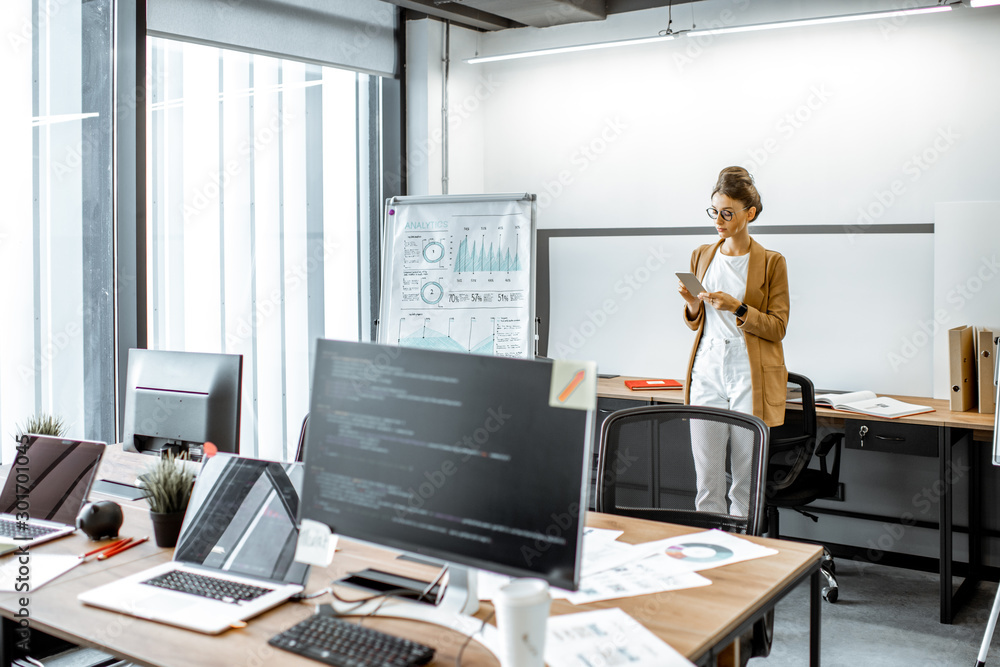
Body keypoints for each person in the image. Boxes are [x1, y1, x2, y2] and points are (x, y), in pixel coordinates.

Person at [677, 166, 789, 517]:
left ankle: (745, 556)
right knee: (707, 480)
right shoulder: (701, 255)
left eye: (727, 212)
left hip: (748, 370)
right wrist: (694, 304)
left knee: (745, 480)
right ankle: (710, 555)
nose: (719, 220)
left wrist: (739, 307)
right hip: (707, 366)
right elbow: (697, 323)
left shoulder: (771, 262)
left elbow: (777, 327)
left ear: (749, 213)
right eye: (715, 211)